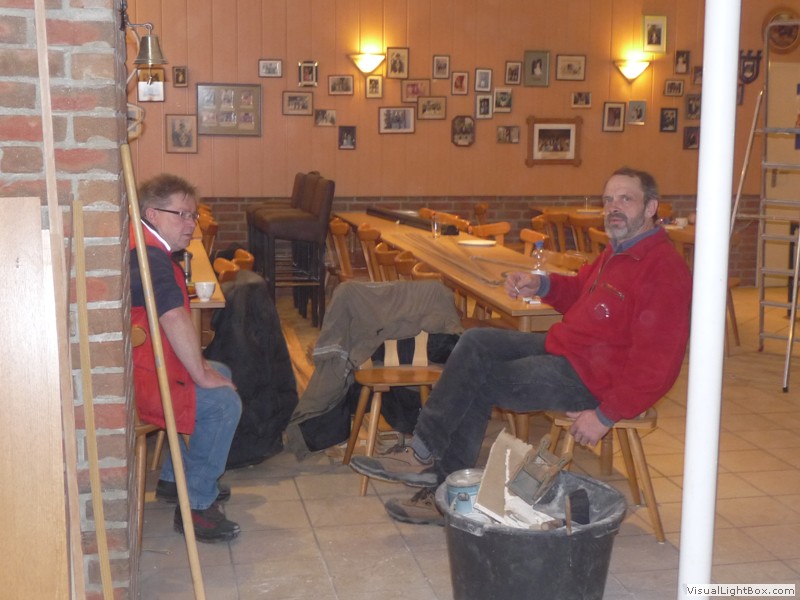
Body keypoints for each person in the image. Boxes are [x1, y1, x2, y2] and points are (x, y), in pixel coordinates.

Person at [349, 167, 692, 524]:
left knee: (479, 380)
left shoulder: (663, 269)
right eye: (608, 200)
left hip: (593, 381)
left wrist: (605, 416)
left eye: (625, 199)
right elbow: (581, 291)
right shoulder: (617, 251)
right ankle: (424, 452)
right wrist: (541, 285)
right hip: (569, 352)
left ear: (651, 207)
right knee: (476, 341)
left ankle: (445, 492)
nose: (613, 208)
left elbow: (659, 366)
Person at [130, 174, 243, 542]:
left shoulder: (143, 244)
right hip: (140, 383)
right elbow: (174, 316)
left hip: (143, 366)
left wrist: (206, 369)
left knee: (220, 370)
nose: (190, 224)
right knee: (222, 403)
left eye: (193, 215)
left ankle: (174, 479)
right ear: (152, 213)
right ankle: (196, 505)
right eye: (181, 214)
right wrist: (201, 373)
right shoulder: (149, 258)